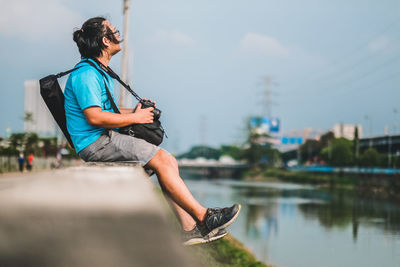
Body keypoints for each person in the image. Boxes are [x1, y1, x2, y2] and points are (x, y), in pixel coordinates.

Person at [64, 17, 240, 245]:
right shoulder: (86, 74)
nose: (119, 34)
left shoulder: (97, 71)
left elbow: (106, 111)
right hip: (96, 143)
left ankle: (189, 228)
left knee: (169, 161)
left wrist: (135, 111)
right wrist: (136, 117)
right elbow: (94, 116)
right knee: (162, 159)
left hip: (103, 138)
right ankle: (205, 217)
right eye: (115, 31)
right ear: (106, 41)